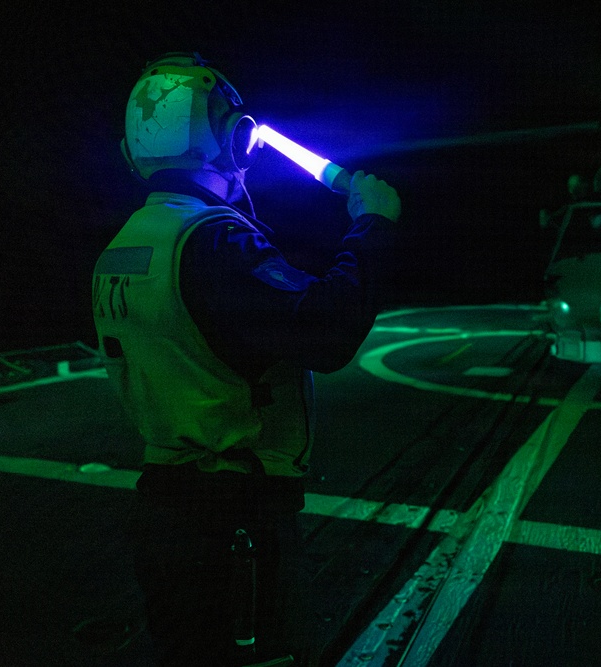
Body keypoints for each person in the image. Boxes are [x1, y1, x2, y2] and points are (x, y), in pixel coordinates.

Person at [92, 52, 401, 666]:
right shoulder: (213, 240)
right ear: (230, 140)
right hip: (234, 516)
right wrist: (372, 226)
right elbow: (326, 330)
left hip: (163, 513)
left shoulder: (125, 245)